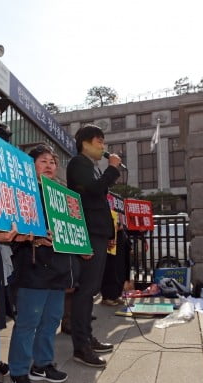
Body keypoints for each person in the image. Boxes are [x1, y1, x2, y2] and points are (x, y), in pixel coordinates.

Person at [7, 144, 77, 383]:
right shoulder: (22, 193)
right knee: (28, 321)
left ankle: (43, 364)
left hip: (58, 267)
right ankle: (18, 371)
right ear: (30, 166)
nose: (49, 166)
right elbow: (11, 228)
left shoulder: (61, 195)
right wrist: (34, 238)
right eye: (43, 161)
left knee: (50, 320)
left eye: (53, 162)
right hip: (33, 265)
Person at [66, 124, 121, 367]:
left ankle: (87, 336)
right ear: (86, 142)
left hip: (97, 234)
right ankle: (81, 346)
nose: (103, 147)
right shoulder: (79, 163)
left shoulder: (92, 167)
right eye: (99, 141)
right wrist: (113, 169)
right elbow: (93, 192)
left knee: (91, 291)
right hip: (87, 234)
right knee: (85, 290)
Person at [100, 224, 132, 306]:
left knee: (120, 268)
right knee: (111, 268)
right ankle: (107, 296)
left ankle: (116, 295)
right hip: (111, 236)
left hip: (121, 237)